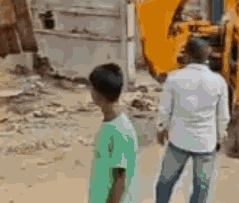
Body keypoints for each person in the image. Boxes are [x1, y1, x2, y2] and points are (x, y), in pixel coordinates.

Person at [155, 38, 230, 203]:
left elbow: (165, 109)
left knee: (165, 183)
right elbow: (223, 116)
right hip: (206, 143)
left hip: (178, 140)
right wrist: (220, 137)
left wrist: (161, 129)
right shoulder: (219, 82)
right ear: (207, 57)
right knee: (201, 188)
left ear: (187, 55)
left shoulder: (173, 78)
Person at [88, 63, 140, 203]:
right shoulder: (111, 124)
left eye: (91, 87)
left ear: (97, 93)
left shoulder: (120, 130)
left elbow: (120, 178)